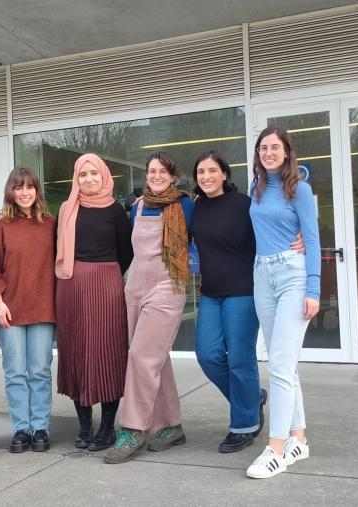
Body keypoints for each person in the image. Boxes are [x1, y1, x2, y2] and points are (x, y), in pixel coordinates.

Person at [190, 150, 305, 454]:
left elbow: (275, 222)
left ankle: (244, 425)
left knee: (240, 360)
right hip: (211, 293)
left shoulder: (244, 204)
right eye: (201, 172)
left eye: (212, 170)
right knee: (208, 355)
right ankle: (253, 399)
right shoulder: (195, 207)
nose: (206, 176)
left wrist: (303, 236)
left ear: (224, 174)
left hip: (243, 291)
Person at [105, 151, 194, 464]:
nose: (156, 176)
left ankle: (133, 428)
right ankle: (171, 425)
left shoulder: (185, 205)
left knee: (141, 356)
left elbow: (210, 234)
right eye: (152, 171)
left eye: (162, 172)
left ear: (173, 177)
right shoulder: (138, 206)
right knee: (155, 357)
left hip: (168, 284)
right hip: (136, 284)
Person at [245, 127, 320, 479]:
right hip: (262, 274)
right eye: (263, 148)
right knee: (284, 364)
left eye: (275, 147)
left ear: (287, 151)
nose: (268, 153)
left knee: (279, 365)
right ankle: (298, 439)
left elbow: (313, 240)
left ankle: (275, 449)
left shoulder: (299, 189)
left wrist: (313, 289)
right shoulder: (255, 188)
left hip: (293, 275)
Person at [55, 154, 133, 452]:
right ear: (76, 178)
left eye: (94, 173)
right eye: (82, 174)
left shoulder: (115, 209)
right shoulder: (66, 209)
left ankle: (107, 427)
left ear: (104, 176)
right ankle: (85, 426)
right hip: (71, 286)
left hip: (106, 285)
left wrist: (105, 274)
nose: (88, 179)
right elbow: (53, 247)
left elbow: (126, 252)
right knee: (76, 350)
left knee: (108, 352)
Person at [0, 167, 57, 453]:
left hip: (43, 308)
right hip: (9, 310)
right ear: (11, 192)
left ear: (37, 190)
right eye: (18, 187)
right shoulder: (2, 227)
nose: (24, 193)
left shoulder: (51, 224)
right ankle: (21, 429)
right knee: (15, 372)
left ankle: (40, 427)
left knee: (40, 371)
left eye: (29, 187)